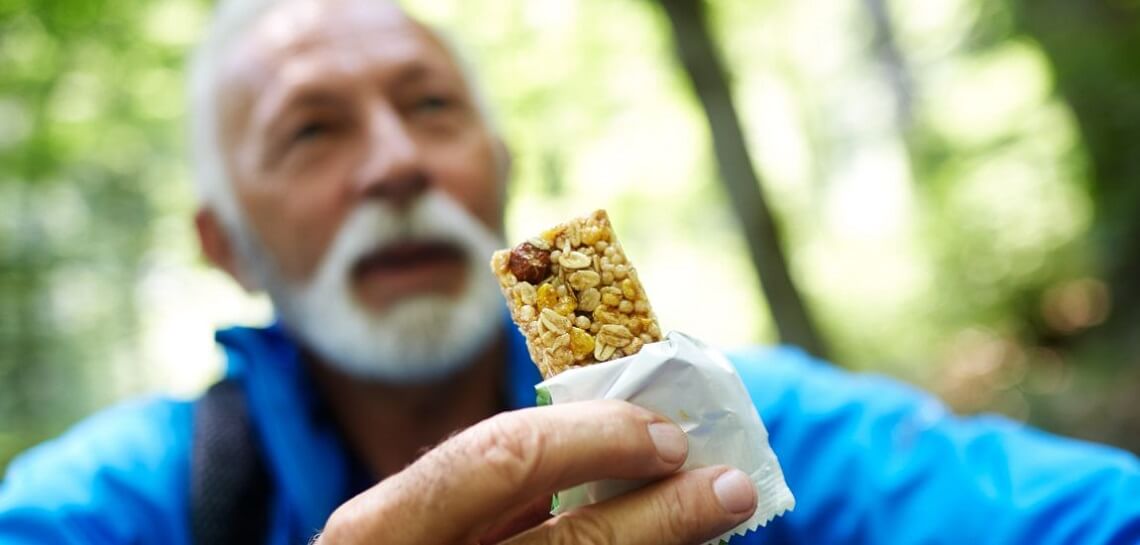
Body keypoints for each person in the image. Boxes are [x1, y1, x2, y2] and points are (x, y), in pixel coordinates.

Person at [2, 0, 1139, 543]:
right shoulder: (105, 508)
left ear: (500, 173)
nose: (396, 164)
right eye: (311, 131)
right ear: (228, 244)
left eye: (431, 107)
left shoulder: (739, 429)